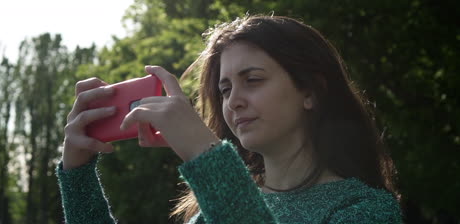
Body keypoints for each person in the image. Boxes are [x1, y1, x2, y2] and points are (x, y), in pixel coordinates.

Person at [56, 15, 402, 223]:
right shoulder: (208, 212)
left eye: (252, 80)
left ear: (310, 91)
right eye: (224, 89)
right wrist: (77, 176)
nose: (233, 101)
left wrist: (206, 158)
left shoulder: (365, 209)